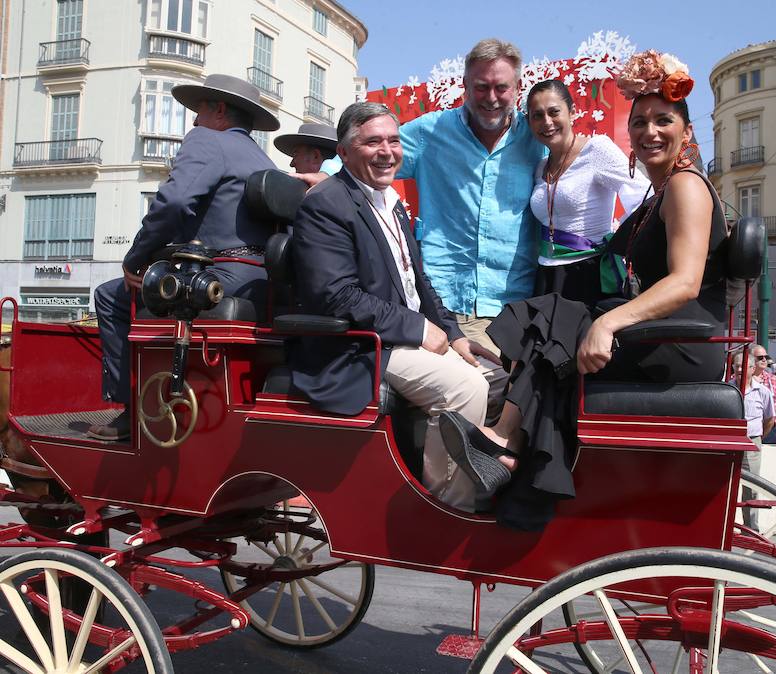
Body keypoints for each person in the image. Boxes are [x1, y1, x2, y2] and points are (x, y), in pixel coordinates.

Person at [439, 50, 730, 529]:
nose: (649, 132)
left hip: (682, 340)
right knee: (551, 319)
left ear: (687, 131)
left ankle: (507, 447)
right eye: (639, 123)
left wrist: (608, 323)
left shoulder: (684, 187)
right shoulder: (661, 192)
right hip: (662, 330)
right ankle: (508, 448)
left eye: (663, 121)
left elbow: (685, 282)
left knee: (559, 324)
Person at [287, 102, 497, 512]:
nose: (387, 151)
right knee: (466, 387)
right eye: (372, 142)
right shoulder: (326, 203)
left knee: (496, 374)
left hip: (394, 338)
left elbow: (419, 281)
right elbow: (337, 295)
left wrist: (453, 335)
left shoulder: (391, 202)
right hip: (357, 346)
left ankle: (470, 473)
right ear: (344, 153)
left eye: (393, 141)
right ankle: (448, 507)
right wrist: (419, 329)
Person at [88, 74, 279, 441]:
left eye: (199, 111)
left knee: (110, 296)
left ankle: (129, 409)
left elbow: (175, 202)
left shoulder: (207, 140)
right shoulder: (262, 158)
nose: (192, 121)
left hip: (220, 278)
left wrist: (136, 258)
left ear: (220, 111)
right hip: (260, 281)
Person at [526, 79, 649, 305]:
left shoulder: (597, 150)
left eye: (554, 112)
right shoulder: (540, 166)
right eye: (537, 115)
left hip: (588, 274)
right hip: (546, 276)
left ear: (572, 112)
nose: (547, 122)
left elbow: (643, 197)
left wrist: (617, 240)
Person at [732, 359, 775, 531]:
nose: (741, 369)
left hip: (752, 441)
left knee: (752, 486)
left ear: (753, 368)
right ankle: (725, 526)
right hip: (731, 442)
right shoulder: (727, 389)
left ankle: (750, 529)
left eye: (744, 365)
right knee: (726, 484)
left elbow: (770, 419)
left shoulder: (763, 391)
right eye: (737, 365)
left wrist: (757, 438)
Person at [750, 344, 776, 443]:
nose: (764, 360)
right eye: (760, 357)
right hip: (750, 430)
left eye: (766, 357)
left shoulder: (774, 379)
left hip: (771, 430)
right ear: (750, 359)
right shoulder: (740, 379)